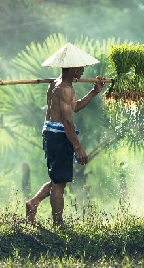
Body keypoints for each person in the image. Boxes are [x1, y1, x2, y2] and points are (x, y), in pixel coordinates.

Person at [25, 65, 106, 227]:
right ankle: (58, 223)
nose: (82, 71)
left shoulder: (55, 84)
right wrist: (78, 147)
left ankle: (33, 203)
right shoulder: (65, 89)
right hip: (59, 135)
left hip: (51, 132)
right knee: (59, 184)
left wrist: (94, 91)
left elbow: (74, 107)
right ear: (72, 69)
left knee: (58, 179)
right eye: (80, 68)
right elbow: (67, 121)